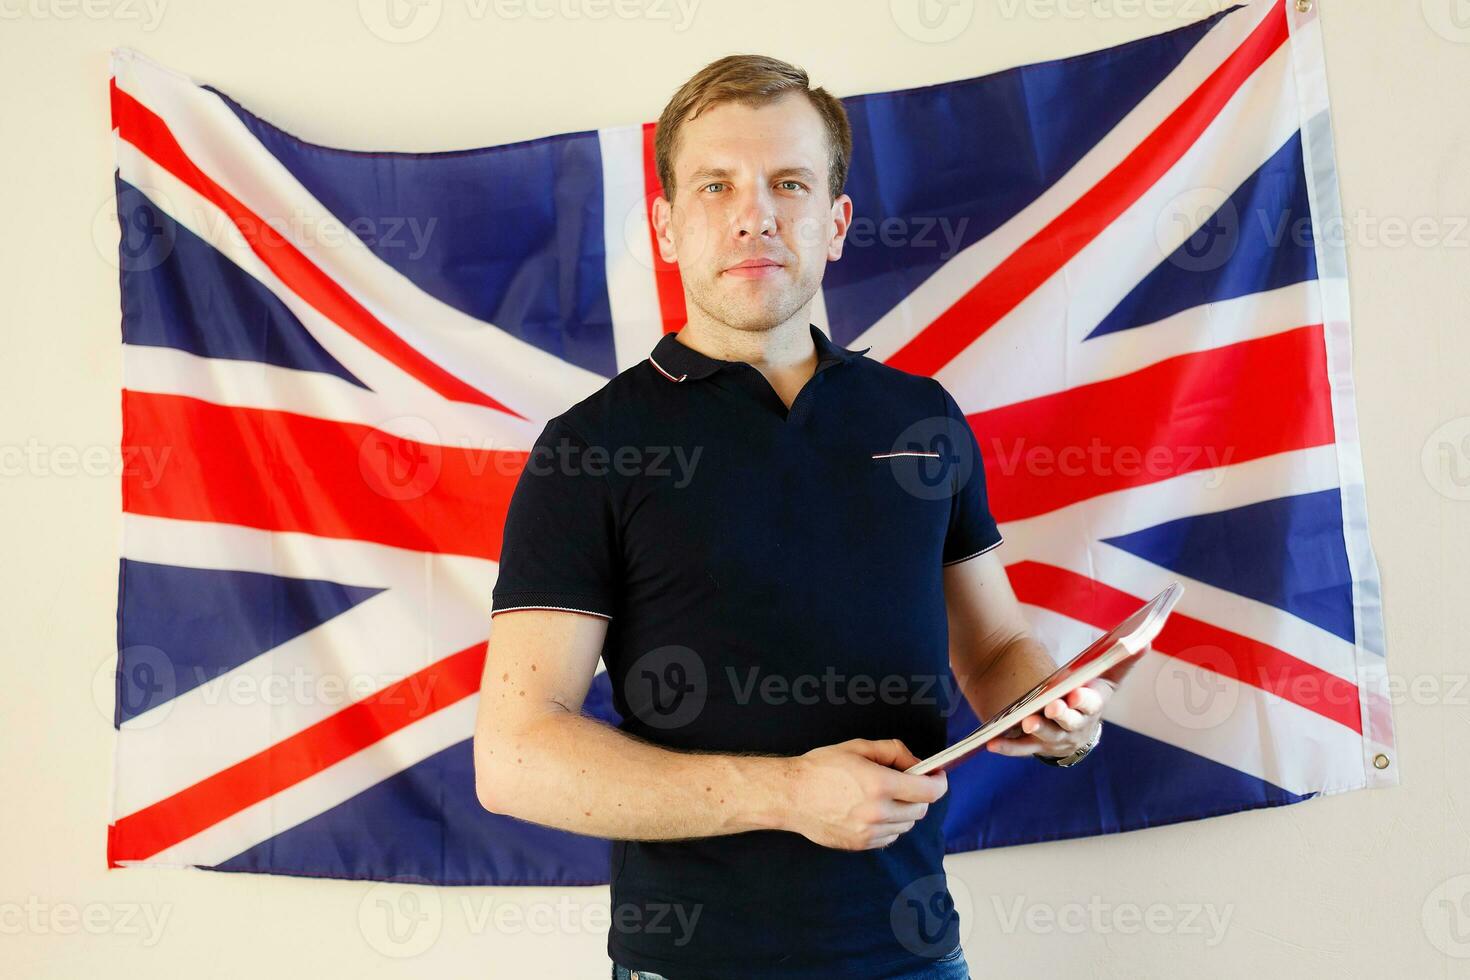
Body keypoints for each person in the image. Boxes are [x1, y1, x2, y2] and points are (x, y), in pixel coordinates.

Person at [474, 53, 1117, 980]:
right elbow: (516, 756)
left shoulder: (918, 417)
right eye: (716, 184)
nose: (755, 214)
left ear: (836, 221)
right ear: (666, 224)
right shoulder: (589, 450)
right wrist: (786, 795)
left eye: (789, 182)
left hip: (913, 956)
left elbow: (994, 647)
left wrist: (1055, 712)